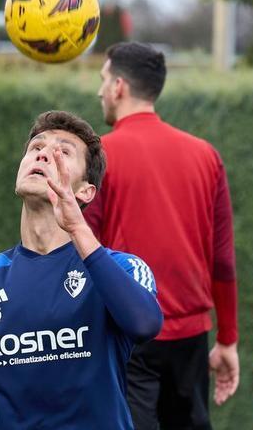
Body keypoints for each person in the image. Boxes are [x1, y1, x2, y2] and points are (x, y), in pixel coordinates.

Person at [0, 110, 164, 429]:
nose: (44, 154)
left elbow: (145, 324)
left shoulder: (122, 268)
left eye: (63, 151)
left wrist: (77, 227)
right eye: (36, 147)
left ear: (86, 191)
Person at [83, 42, 240, 430]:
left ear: (119, 86)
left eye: (103, 80)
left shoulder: (101, 154)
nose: (99, 91)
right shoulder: (206, 155)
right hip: (191, 340)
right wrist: (228, 339)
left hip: (127, 335)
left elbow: (84, 249)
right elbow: (222, 258)